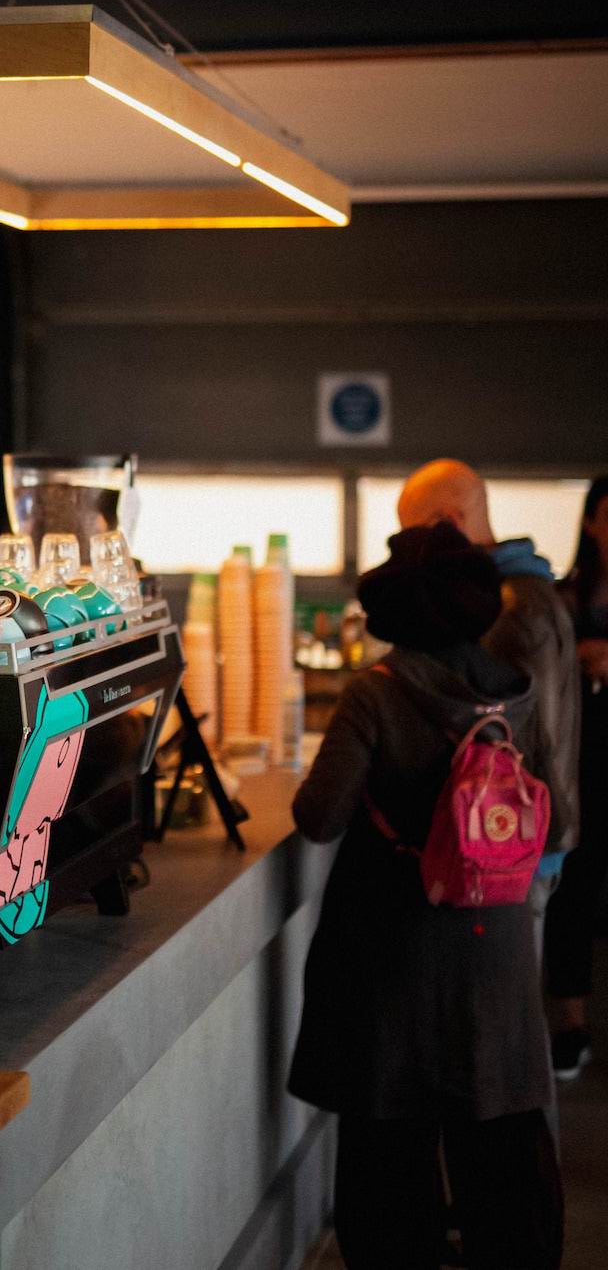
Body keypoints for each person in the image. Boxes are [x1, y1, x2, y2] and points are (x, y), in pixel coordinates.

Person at [289, 523, 563, 1270]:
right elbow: (552, 809)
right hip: (495, 952)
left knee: (389, 1170)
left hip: (392, 959)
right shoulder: (518, 694)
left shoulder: (375, 695)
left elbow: (319, 817)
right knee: (503, 1159)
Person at [398, 460, 581, 902]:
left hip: (517, 834)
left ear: (449, 522)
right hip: (521, 827)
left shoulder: (510, 604)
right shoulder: (515, 593)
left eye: (417, 535)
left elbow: (505, 725)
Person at [544, 475, 608, 1079]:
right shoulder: (564, 599)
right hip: (581, 768)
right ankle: (570, 1026)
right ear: (591, 522)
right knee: (574, 893)